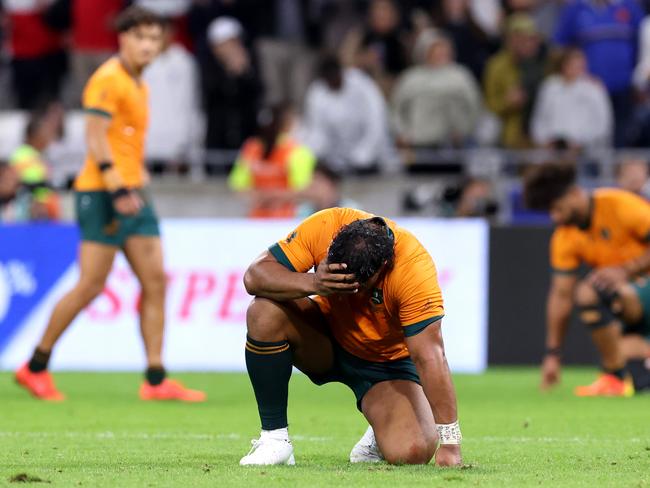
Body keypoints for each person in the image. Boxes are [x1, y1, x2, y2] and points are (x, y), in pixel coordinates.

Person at [14, 6, 205, 403]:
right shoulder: (108, 79)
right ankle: (34, 366)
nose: (148, 46)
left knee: (156, 281)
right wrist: (118, 186)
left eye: (155, 39)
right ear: (123, 38)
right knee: (90, 286)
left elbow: (124, 139)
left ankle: (155, 379)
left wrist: (136, 178)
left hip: (133, 190)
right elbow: (96, 135)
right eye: (141, 37)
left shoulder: (139, 83)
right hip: (105, 193)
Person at [238, 208, 462, 466]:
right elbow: (254, 276)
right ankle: (274, 440)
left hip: (387, 365)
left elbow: (430, 356)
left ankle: (379, 434)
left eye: (356, 286)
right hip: (324, 338)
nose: (346, 292)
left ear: (383, 268)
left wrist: (451, 444)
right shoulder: (325, 224)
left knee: (413, 451)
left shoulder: (413, 269)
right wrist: (314, 283)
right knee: (263, 311)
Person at [524, 162, 650, 396]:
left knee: (590, 290)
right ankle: (616, 377)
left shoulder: (619, 204)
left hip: (642, 288)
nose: (555, 217)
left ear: (573, 193)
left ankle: (619, 373)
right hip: (630, 304)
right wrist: (553, 354)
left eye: (557, 208)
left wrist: (627, 269)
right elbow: (561, 296)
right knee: (636, 372)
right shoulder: (564, 237)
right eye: (549, 212)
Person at [554, 0, 644, 147]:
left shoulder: (630, 7)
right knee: (587, 138)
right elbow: (561, 47)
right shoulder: (575, 9)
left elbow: (644, 43)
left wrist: (637, 80)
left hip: (624, 89)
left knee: (624, 139)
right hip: (586, 90)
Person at [303, 55, 397, 174]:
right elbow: (317, 132)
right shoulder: (317, 93)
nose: (331, 83)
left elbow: (377, 123)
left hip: (375, 161)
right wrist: (311, 154)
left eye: (333, 77)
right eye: (327, 80)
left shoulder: (362, 84)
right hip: (340, 165)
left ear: (340, 72)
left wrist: (362, 155)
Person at [392, 30, 481, 149]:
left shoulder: (461, 76)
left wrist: (465, 130)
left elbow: (474, 106)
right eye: (435, 50)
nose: (439, 54)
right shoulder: (410, 78)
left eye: (443, 49)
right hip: (416, 142)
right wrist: (401, 133)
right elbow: (395, 110)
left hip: (453, 144)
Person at [228, 103, 316, 218]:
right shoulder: (297, 150)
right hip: (284, 222)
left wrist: (263, 196)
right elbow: (305, 190)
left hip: (263, 220)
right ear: (288, 124)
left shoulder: (251, 148)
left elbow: (237, 186)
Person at [143, 18, 203, 172]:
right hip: (148, 136)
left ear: (172, 33)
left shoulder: (184, 61)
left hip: (177, 136)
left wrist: (189, 135)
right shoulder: (142, 61)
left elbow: (190, 99)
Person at [202, 17, 262, 166]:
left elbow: (257, 94)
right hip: (218, 143)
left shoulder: (251, 66)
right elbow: (211, 95)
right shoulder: (208, 68)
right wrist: (228, 71)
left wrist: (244, 73)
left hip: (245, 140)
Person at [484, 13, 547, 149]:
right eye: (522, 38)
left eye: (532, 38)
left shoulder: (545, 63)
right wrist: (508, 102)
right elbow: (489, 106)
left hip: (542, 137)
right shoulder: (496, 66)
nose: (529, 43)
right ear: (510, 40)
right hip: (510, 136)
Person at [531, 48, 612, 149]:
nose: (575, 69)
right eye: (572, 65)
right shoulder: (549, 87)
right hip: (550, 148)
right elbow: (539, 120)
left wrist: (581, 143)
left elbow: (603, 124)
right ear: (563, 65)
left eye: (579, 65)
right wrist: (545, 141)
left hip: (584, 150)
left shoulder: (594, 89)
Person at [340, 0, 409, 96]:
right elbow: (344, 62)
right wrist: (361, 60)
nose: (380, 14)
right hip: (364, 91)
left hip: (396, 90)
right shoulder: (359, 36)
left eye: (385, 10)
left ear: (395, 14)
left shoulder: (403, 39)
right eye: (377, 10)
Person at [9, 106, 62, 221]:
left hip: (45, 210)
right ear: (33, 136)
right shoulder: (22, 154)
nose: (47, 138)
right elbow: (18, 183)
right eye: (44, 133)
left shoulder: (42, 156)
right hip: (29, 210)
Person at [296, 162, 360, 218]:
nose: (312, 184)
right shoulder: (304, 211)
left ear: (331, 183)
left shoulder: (351, 210)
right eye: (311, 179)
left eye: (318, 180)